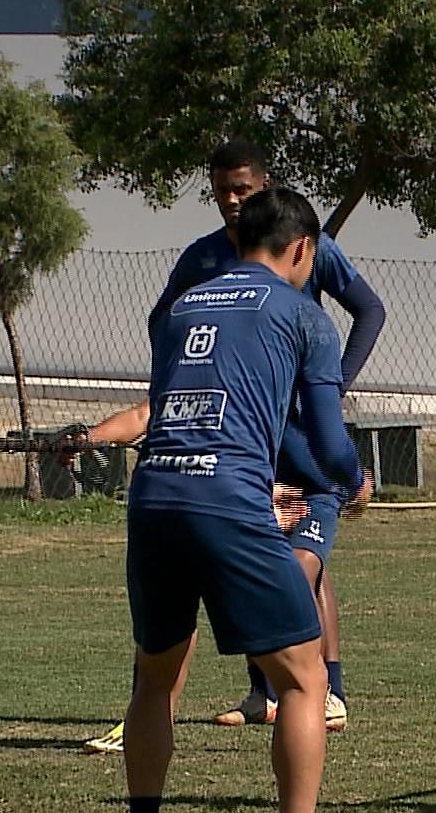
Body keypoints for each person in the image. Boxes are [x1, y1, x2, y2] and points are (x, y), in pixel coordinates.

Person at [83, 138, 386, 753]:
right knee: (241, 555)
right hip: (229, 436)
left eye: (242, 188)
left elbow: (369, 311)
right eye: (221, 188)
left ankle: (326, 689)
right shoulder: (202, 262)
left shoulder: (304, 248)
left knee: (301, 558)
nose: (231, 199)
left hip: (299, 434)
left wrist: (327, 384)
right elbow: (162, 325)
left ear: (264, 184)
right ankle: (265, 694)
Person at [119, 187, 372, 813]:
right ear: (302, 250)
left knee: (155, 682)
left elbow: (182, 410)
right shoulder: (303, 316)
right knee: (304, 679)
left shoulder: (181, 307)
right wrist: (353, 481)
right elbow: (325, 439)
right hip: (229, 506)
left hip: (156, 499)